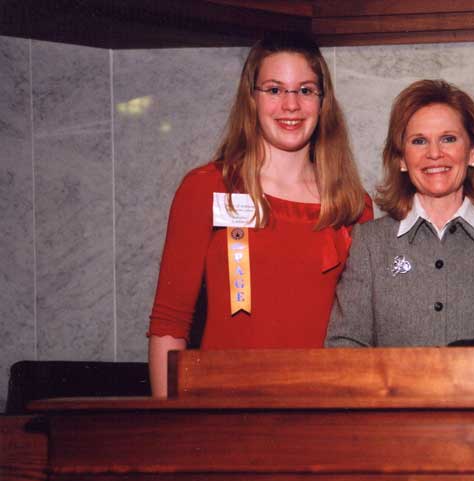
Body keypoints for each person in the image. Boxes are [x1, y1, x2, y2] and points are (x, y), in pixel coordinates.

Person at [148, 33, 372, 397]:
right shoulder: (205, 188)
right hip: (224, 412)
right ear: (251, 99)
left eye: (305, 90)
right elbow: (169, 324)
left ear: (323, 101)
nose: (291, 105)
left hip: (321, 410)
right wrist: (168, 427)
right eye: (274, 89)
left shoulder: (352, 205)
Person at [325, 79, 474, 348]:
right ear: (402, 159)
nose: (434, 153)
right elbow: (345, 346)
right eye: (419, 141)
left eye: (448, 139)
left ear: (472, 154)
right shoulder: (369, 243)